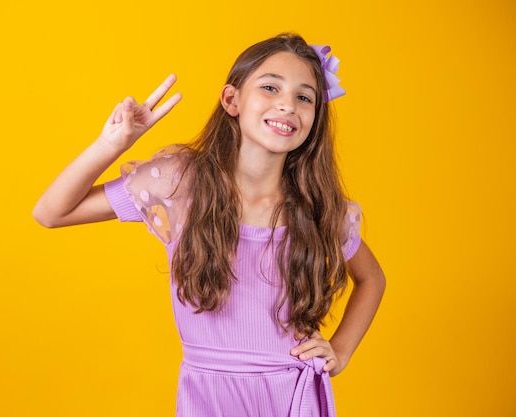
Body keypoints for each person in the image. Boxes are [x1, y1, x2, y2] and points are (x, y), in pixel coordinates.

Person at [33, 33, 386, 417]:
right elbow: (52, 213)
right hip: (208, 399)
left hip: (291, 397)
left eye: (304, 97)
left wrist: (342, 350)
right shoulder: (179, 184)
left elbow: (371, 279)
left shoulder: (321, 210)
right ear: (231, 100)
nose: (287, 105)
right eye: (270, 87)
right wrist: (112, 144)